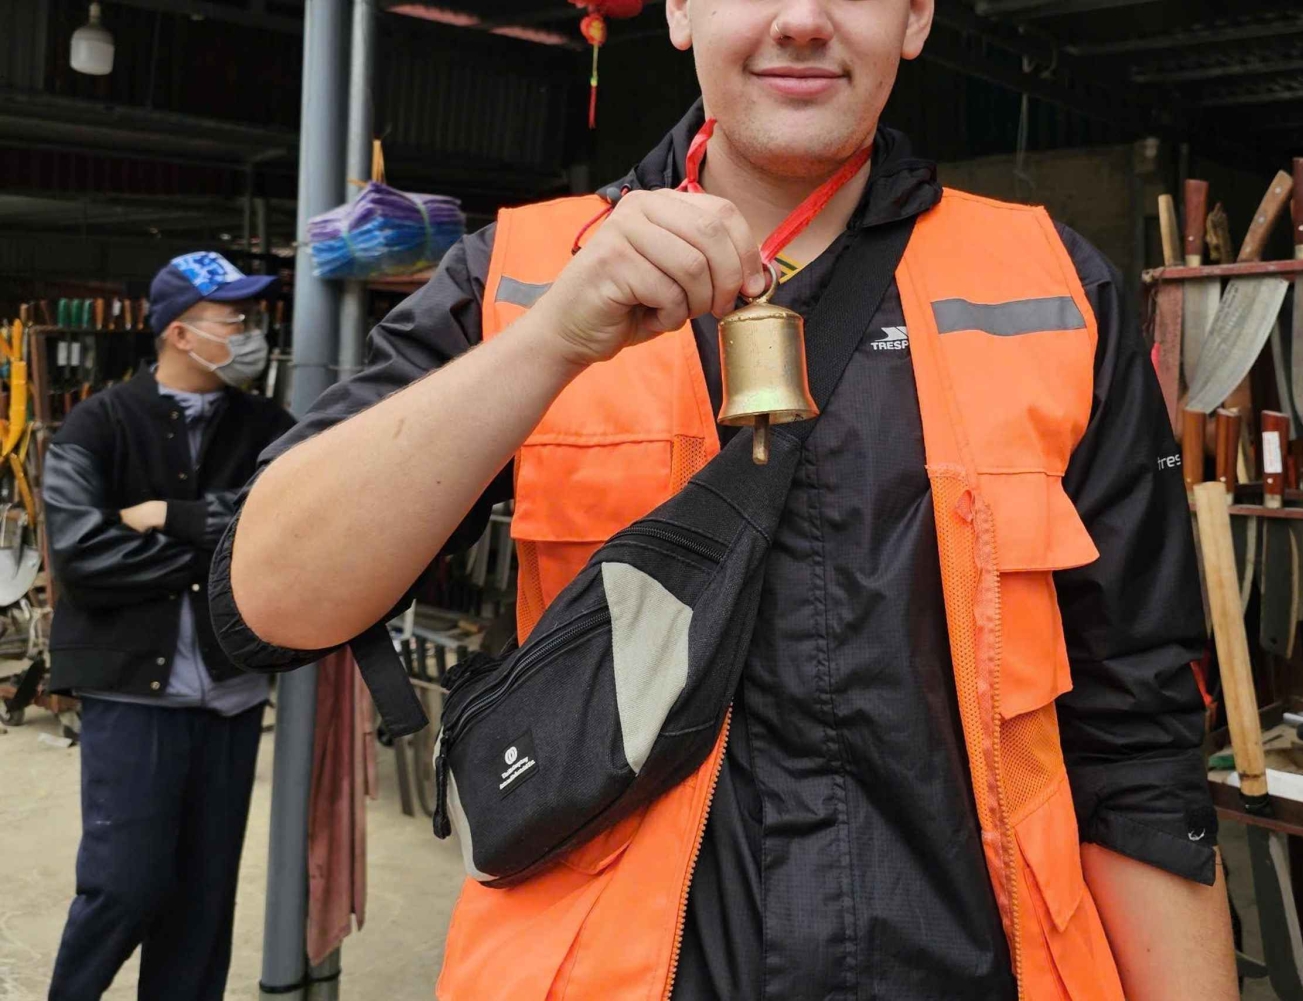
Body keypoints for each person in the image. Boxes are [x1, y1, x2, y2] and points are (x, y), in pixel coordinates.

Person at [219, 0, 1237, 997]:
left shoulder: (1054, 289)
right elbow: (271, 601)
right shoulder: (525, 274)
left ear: (917, 18)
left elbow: (1137, 744)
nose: (801, 19)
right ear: (679, 12)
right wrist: (549, 342)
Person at [45, 252, 293, 1001]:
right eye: (234, 320)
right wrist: (219, 555)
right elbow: (81, 555)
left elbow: (289, 525)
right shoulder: (98, 423)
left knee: (202, 906)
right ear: (181, 333)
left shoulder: (268, 427)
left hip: (231, 697)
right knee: (123, 884)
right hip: (132, 695)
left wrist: (171, 517)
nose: (250, 333)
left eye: (251, 318)